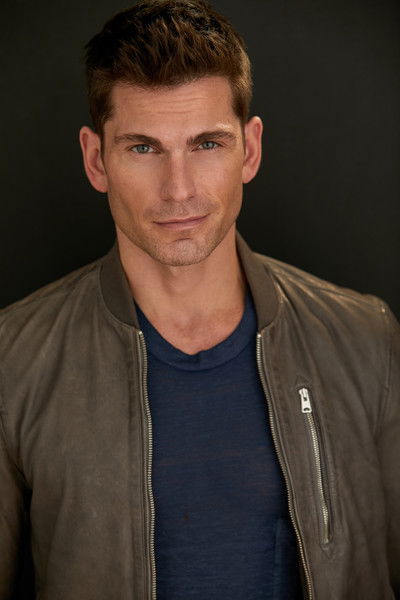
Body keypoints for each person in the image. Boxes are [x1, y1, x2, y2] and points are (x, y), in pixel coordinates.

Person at [1, 0, 399, 598]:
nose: (179, 189)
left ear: (250, 150)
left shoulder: (367, 339)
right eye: (143, 148)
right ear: (95, 159)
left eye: (207, 144)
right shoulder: (12, 360)